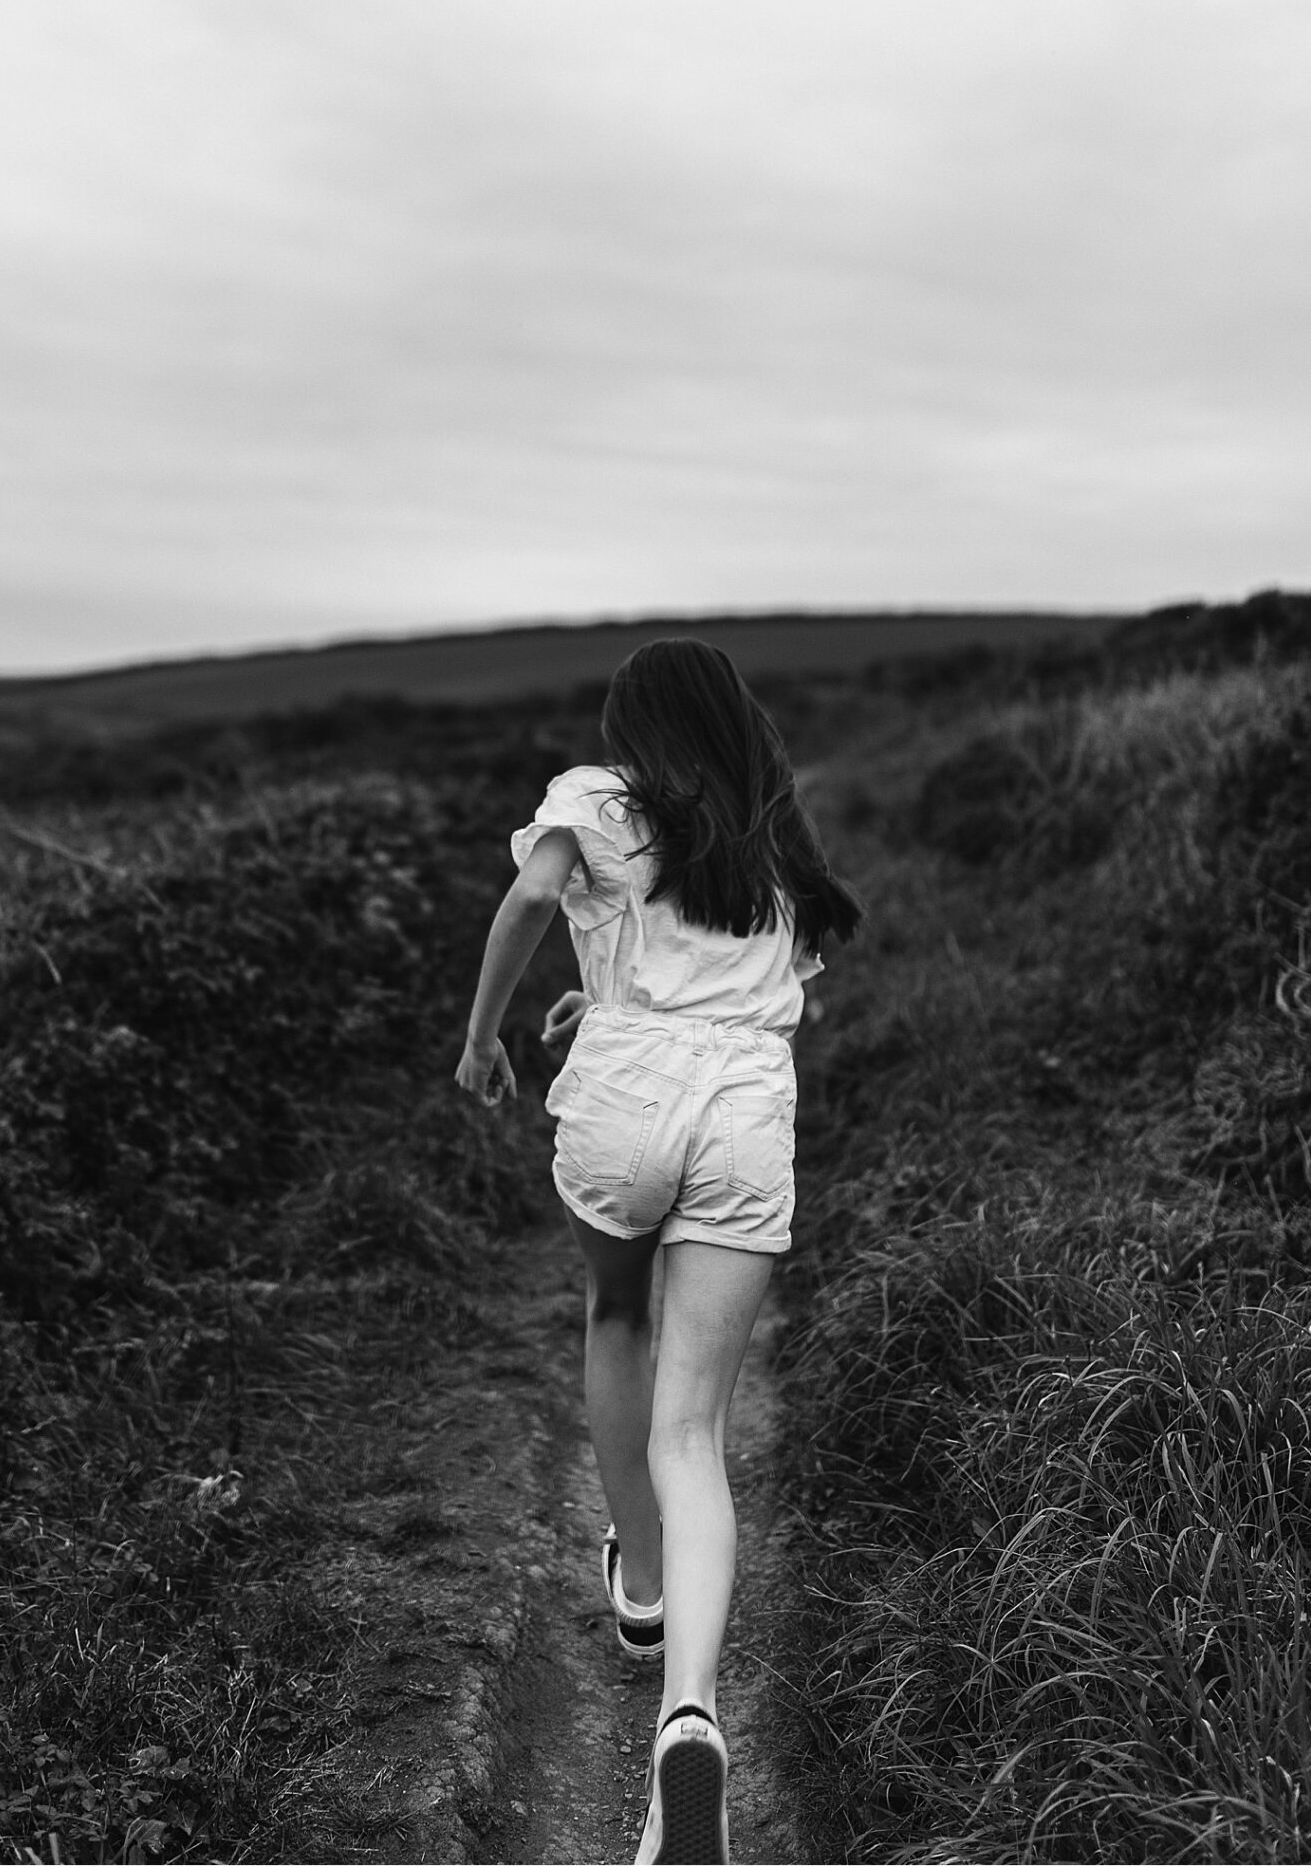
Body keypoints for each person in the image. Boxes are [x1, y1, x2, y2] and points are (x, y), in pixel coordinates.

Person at [454, 639, 863, 1865]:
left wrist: (485, 1039)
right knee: (700, 1432)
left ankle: (634, 1570)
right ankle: (689, 1719)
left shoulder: (597, 800)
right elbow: (744, 992)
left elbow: (535, 899)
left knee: (614, 1316)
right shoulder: (773, 845)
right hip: (745, 1110)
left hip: (625, 1101)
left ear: (639, 730)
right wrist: (619, 995)